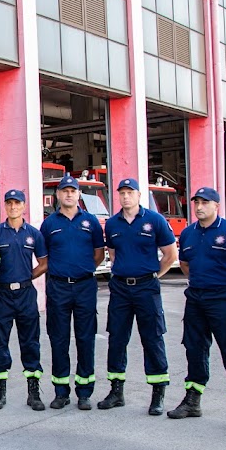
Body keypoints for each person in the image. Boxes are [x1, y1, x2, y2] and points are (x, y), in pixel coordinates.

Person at [169, 187, 226, 431]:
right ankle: (192, 401)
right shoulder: (188, 233)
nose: (199, 207)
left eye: (205, 202)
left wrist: (223, 280)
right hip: (196, 299)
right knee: (194, 349)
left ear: (216, 206)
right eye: (196, 202)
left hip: (223, 300)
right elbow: (186, 263)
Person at [100, 178, 178, 415]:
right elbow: (113, 254)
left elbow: (170, 253)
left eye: (130, 192)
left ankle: (157, 394)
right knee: (117, 338)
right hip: (121, 288)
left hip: (146, 287)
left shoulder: (155, 220)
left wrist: (154, 274)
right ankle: (116, 391)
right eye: (122, 193)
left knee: (152, 338)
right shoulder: (113, 224)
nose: (125, 197)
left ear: (139, 195)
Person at [41, 174, 105, 410]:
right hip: (58, 286)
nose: (69, 194)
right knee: (58, 339)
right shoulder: (49, 224)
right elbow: (44, 256)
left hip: (85, 286)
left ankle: (85, 392)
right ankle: (61, 392)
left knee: (85, 338)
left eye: (73, 190)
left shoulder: (91, 222)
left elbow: (99, 254)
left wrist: (83, 270)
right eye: (64, 190)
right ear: (57, 194)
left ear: (79, 194)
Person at [0, 189, 47, 411]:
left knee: (30, 342)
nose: (13, 207)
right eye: (9, 203)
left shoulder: (34, 234)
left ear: (24, 206)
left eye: (17, 203)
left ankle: (33, 393)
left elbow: (43, 262)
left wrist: (26, 277)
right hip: (1, 294)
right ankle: (0, 393)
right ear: (5, 206)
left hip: (25, 294)